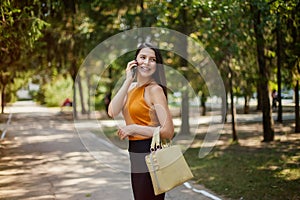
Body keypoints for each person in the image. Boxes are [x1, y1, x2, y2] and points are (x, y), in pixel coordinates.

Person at [108, 43, 174, 200]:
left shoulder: (155, 90)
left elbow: (168, 131)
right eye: (143, 57)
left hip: (150, 152)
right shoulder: (130, 88)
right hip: (135, 152)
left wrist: (134, 129)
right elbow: (112, 111)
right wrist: (127, 80)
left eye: (152, 59)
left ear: (157, 66)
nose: (146, 62)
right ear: (135, 61)